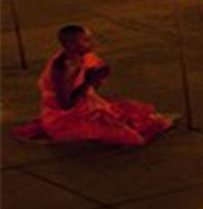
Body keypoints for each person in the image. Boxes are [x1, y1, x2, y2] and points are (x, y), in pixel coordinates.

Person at [11, 25, 172, 146]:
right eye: (86, 40)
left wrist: (95, 79)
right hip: (65, 120)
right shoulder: (63, 68)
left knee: (137, 115)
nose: (92, 43)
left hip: (87, 107)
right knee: (132, 138)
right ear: (70, 45)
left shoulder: (84, 57)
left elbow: (89, 89)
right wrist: (89, 80)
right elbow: (65, 105)